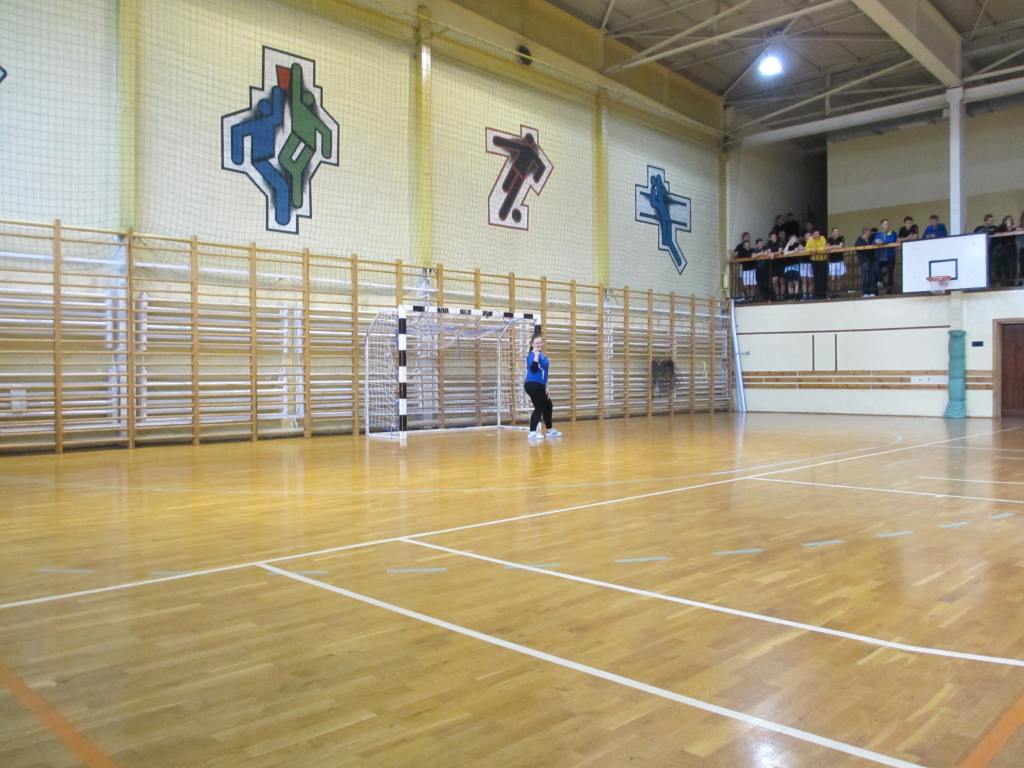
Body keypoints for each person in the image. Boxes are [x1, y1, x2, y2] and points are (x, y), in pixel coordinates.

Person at [524, 335, 560, 440]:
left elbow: (544, 373)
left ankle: (550, 430)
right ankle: (532, 432)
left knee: (548, 405)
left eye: (540, 342)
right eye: (537, 343)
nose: (539, 344)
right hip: (533, 384)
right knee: (539, 407)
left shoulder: (543, 355)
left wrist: (546, 387)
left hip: (540, 385)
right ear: (532, 344)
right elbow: (533, 369)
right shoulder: (532, 355)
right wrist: (536, 355)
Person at [874, 219, 898, 294]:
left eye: (887, 224)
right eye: (885, 224)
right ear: (881, 225)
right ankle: (879, 285)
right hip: (880, 257)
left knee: (890, 274)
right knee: (876, 268)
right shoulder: (878, 234)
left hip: (890, 257)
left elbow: (892, 240)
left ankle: (889, 291)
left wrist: (882, 242)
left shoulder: (893, 233)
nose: (887, 225)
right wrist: (876, 242)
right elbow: (874, 241)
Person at [993, 215, 1017, 287]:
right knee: (1005, 265)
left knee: (1013, 265)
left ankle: (1012, 281)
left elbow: (1014, 237)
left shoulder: (1014, 228)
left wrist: (1012, 229)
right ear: (1004, 221)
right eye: (1007, 220)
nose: (1009, 221)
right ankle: (1006, 281)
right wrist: (1003, 226)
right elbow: (994, 231)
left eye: (1010, 220)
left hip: (1012, 247)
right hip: (1004, 247)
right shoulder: (1001, 228)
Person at [805, 228, 829, 299]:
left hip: (823, 260)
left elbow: (825, 247)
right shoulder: (810, 240)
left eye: (818, 233)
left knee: (823, 277)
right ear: (813, 234)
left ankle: (823, 294)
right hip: (814, 261)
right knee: (816, 277)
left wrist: (817, 250)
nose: (817, 235)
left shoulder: (822, 238)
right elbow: (806, 249)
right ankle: (817, 294)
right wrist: (812, 250)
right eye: (815, 234)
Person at [732, 232, 755, 301]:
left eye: (748, 237)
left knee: (752, 284)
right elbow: (735, 254)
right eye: (746, 237)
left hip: (751, 268)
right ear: (743, 238)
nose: (747, 238)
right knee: (745, 284)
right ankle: (746, 297)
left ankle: (751, 298)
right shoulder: (739, 246)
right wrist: (732, 257)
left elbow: (753, 255)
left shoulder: (751, 249)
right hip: (743, 267)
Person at [855, 226, 877, 297]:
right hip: (864, 261)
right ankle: (865, 292)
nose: (870, 233)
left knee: (872, 277)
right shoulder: (859, 240)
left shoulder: (870, 240)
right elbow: (857, 246)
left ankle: (872, 292)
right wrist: (864, 242)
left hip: (871, 260)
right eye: (869, 231)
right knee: (866, 277)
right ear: (865, 232)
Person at [826, 226, 847, 299]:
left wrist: (832, 247)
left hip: (840, 260)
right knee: (832, 278)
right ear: (832, 233)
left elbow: (840, 246)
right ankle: (832, 293)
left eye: (837, 231)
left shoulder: (841, 238)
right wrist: (835, 246)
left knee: (839, 278)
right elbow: (827, 248)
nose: (836, 233)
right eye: (835, 231)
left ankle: (838, 293)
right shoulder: (829, 239)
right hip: (832, 261)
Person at [782, 233, 803, 300]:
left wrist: (790, 252)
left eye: (795, 238)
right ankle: (791, 297)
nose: (794, 239)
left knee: (796, 282)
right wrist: (789, 244)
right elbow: (784, 252)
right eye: (792, 238)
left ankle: (795, 297)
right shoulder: (787, 245)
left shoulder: (797, 244)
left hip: (795, 265)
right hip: (788, 266)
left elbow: (800, 250)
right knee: (789, 283)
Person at [765, 230, 784, 300]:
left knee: (781, 281)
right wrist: (772, 254)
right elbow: (769, 252)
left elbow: (780, 251)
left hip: (780, 263)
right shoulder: (768, 243)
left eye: (775, 236)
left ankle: (782, 297)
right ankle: (777, 297)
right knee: (774, 281)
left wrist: (773, 254)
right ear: (770, 238)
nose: (774, 238)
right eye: (772, 237)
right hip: (773, 264)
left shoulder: (779, 242)